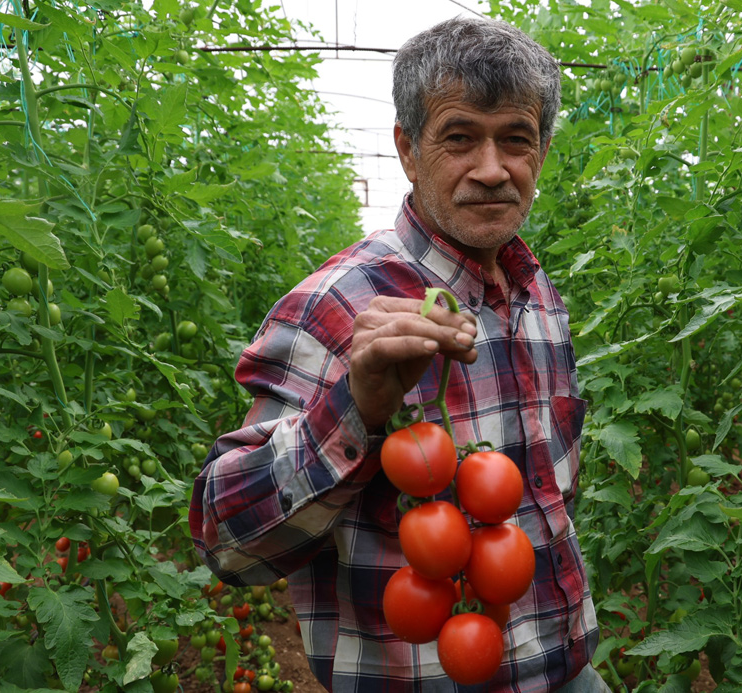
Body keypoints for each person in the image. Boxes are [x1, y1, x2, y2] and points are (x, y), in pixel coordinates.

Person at [189, 16, 610, 693]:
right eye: (460, 138)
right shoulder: (335, 305)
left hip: (568, 671)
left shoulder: (539, 297)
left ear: (543, 150)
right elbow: (226, 542)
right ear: (408, 150)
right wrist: (354, 408)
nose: (492, 169)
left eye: (516, 139)